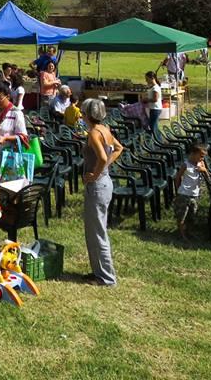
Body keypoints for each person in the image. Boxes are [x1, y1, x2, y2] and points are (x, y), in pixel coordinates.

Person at [81, 98, 123, 286]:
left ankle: (107, 278)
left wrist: (94, 174)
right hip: (105, 183)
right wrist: (104, 168)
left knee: (98, 232)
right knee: (94, 230)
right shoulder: (105, 129)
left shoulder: (93, 133)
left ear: (86, 114)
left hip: (98, 186)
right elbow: (118, 148)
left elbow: (103, 156)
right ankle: (98, 272)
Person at [173, 144, 209, 240]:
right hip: (184, 193)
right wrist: (178, 190)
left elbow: (208, 178)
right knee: (182, 216)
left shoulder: (201, 164)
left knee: (192, 215)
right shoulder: (186, 165)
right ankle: (182, 234)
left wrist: (204, 170)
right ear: (193, 154)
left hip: (195, 194)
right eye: (201, 156)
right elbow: (177, 177)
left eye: (203, 156)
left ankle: (189, 232)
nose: (202, 158)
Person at [144, 71, 162, 139]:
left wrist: (146, 100)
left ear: (152, 78)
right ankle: (158, 139)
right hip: (153, 109)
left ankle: (158, 140)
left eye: (147, 78)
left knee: (153, 126)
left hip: (156, 109)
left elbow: (155, 99)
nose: (146, 80)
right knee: (154, 125)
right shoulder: (152, 87)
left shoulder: (155, 88)